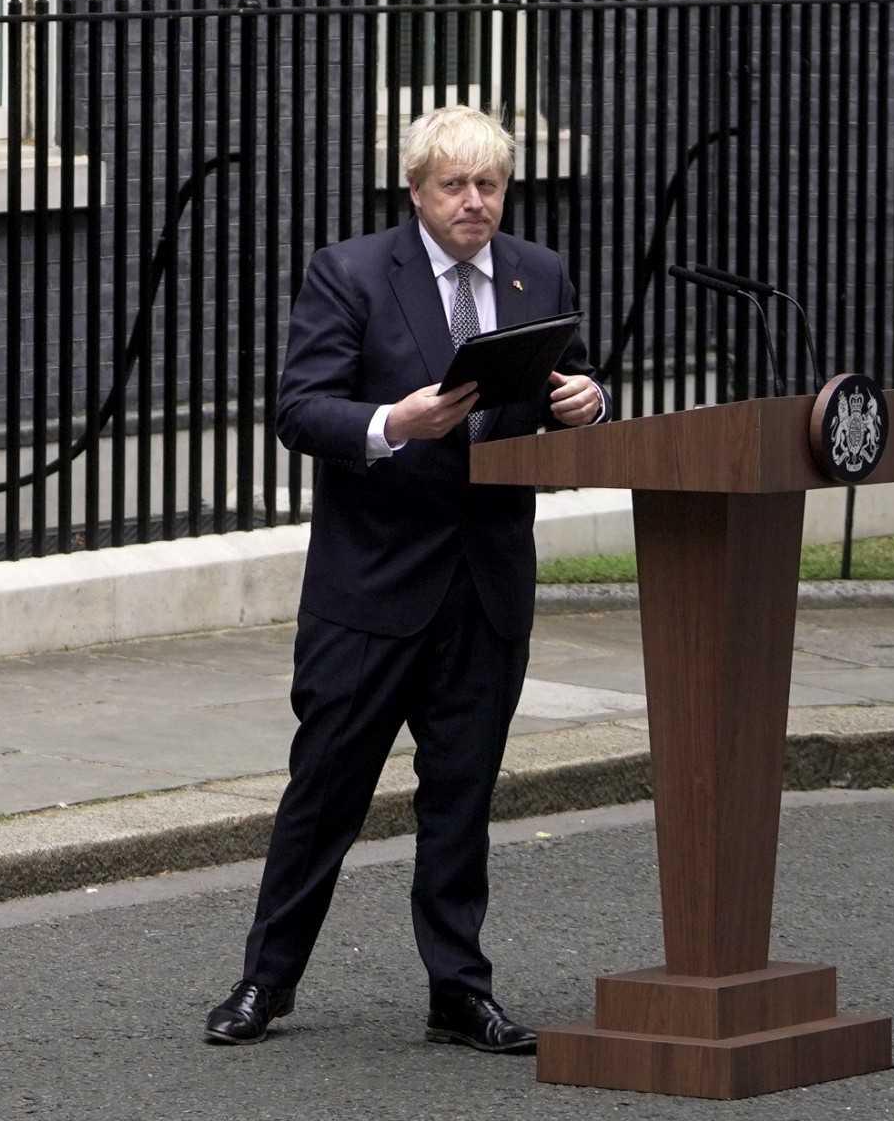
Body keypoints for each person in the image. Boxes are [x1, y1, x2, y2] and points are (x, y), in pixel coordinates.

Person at [204, 106, 608, 1053]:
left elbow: (570, 386)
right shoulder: (349, 273)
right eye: (455, 187)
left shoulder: (536, 272)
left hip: (485, 583)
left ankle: (458, 992)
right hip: (372, 588)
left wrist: (587, 402)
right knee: (325, 794)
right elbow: (301, 411)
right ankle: (266, 982)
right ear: (416, 190)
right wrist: (394, 423)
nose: (475, 204)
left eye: (490, 186)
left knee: (461, 797)